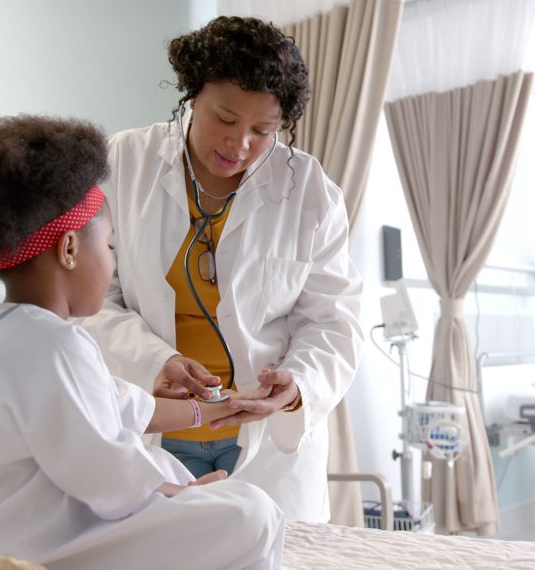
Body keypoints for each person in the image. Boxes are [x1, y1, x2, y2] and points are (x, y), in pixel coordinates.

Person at [0, 115, 283, 570]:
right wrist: (184, 494)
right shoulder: (50, 345)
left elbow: (124, 408)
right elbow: (105, 472)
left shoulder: (0, 334)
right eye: (109, 247)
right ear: (69, 249)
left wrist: (218, 408)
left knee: (207, 493)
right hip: (18, 539)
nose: (111, 262)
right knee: (253, 512)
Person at [79, 16, 363, 523]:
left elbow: (333, 319)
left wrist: (297, 383)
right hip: (154, 432)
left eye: (263, 130)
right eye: (225, 118)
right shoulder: (123, 161)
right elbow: (92, 296)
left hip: (265, 446)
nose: (240, 145)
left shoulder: (309, 191)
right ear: (192, 95)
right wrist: (153, 362)